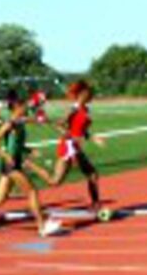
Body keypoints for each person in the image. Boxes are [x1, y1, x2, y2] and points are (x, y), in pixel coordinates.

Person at [0, 91, 62, 237]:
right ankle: (42, 226)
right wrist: (6, 156)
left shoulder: (19, 121)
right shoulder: (9, 123)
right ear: (16, 107)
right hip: (11, 165)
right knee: (32, 191)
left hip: (13, 163)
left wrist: (28, 149)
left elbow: (35, 121)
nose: (25, 108)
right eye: (22, 106)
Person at [30, 80, 104, 210]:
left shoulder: (85, 109)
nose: (92, 96)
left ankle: (95, 204)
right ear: (82, 94)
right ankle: (29, 164)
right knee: (54, 182)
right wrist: (68, 136)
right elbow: (61, 124)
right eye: (90, 93)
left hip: (75, 146)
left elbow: (81, 130)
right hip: (68, 146)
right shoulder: (73, 109)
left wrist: (93, 137)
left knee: (92, 174)